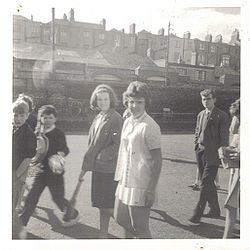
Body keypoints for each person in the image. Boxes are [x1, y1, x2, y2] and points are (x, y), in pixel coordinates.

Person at [114, 81, 162, 239]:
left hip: (141, 183)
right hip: (125, 180)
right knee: (120, 217)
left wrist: (151, 189)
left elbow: (157, 160)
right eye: (131, 102)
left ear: (146, 102)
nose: (134, 106)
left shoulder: (150, 126)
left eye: (139, 102)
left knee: (140, 227)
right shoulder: (127, 121)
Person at [19, 105, 80, 229]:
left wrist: (59, 156)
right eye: (44, 117)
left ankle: (73, 214)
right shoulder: (37, 133)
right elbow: (34, 152)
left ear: (55, 119)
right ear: (40, 118)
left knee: (58, 198)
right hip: (41, 172)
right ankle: (21, 224)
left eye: (50, 117)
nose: (47, 120)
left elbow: (65, 149)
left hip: (55, 173)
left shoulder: (58, 133)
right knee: (31, 197)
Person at [78, 84, 123, 238]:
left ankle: (131, 229)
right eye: (99, 99)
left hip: (108, 169)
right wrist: (85, 168)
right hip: (98, 168)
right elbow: (92, 145)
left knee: (108, 206)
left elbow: (119, 144)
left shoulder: (116, 118)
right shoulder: (99, 116)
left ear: (111, 99)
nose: (103, 102)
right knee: (101, 205)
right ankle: (103, 233)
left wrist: (102, 155)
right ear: (95, 101)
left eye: (106, 99)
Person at [189, 89, 229, 225]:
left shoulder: (221, 115)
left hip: (213, 155)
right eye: (203, 99)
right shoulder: (200, 114)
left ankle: (197, 213)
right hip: (200, 152)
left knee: (205, 183)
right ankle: (215, 210)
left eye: (209, 99)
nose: (206, 102)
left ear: (214, 99)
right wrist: (196, 144)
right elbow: (197, 130)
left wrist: (222, 154)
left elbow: (224, 137)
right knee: (209, 183)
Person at [12, 100, 37, 238]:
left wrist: (16, 175)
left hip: (16, 174)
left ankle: (19, 232)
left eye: (22, 115)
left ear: (27, 116)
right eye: (16, 115)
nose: (18, 118)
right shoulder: (12, 129)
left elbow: (28, 158)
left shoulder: (29, 134)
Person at [222, 99, 240, 238]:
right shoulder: (237, 133)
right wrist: (226, 152)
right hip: (236, 173)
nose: (234, 122)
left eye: (238, 118)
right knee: (231, 206)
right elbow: (233, 148)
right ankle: (226, 239)